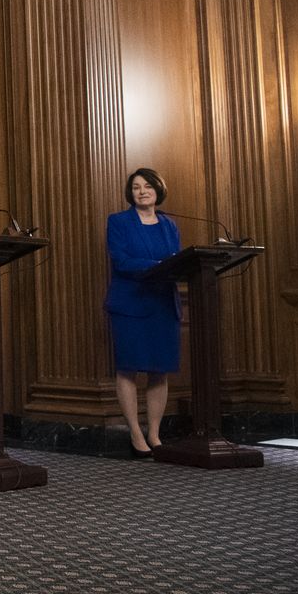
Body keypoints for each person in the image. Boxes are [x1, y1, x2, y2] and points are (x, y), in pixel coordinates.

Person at [105, 167, 182, 459]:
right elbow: (122, 260)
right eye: (136, 187)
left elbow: (177, 259)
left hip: (162, 303)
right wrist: (158, 265)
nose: (142, 191)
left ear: (157, 190)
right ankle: (135, 433)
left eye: (147, 186)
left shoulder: (169, 225)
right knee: (128, 368)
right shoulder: (118, 221)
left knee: (159, 370)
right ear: (131, 193)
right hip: (130, 304)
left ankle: (154, 433)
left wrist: (166, 265)